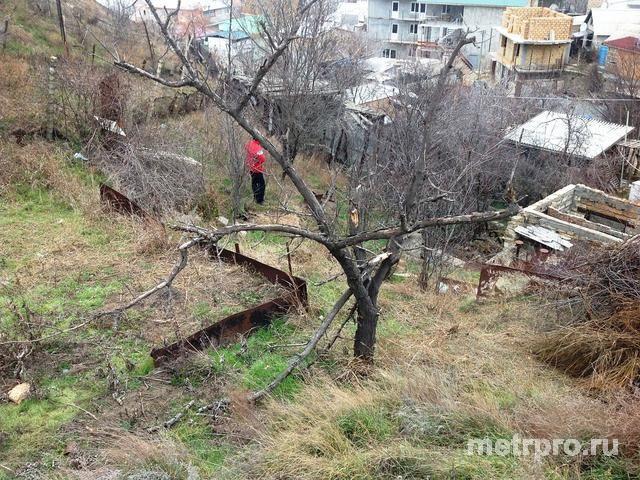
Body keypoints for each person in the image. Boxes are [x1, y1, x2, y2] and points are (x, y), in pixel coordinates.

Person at [245, 138, 266, 204]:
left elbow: (246, 149)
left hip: (251, 167)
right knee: (261, 184)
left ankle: (255, 197)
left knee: (254, 182)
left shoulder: (249, 143)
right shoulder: (257, 147)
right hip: (257, 168)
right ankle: (260, 200)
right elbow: (262, 159)